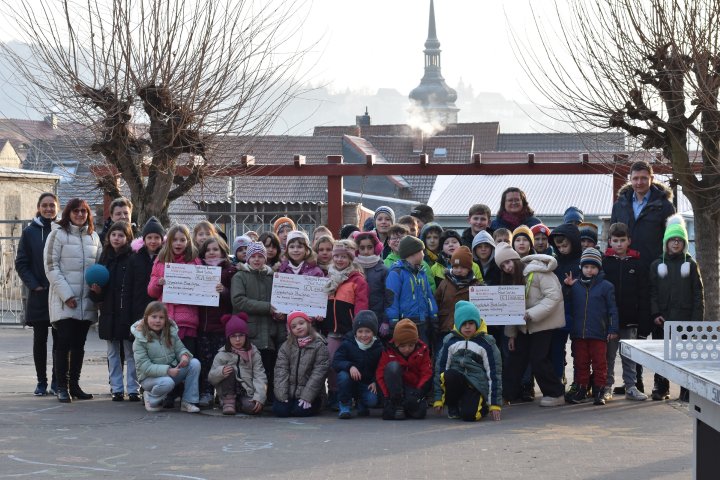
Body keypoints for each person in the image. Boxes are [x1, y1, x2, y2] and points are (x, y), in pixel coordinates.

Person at [610, 161, 675, 391]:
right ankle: (633, 381)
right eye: (635, 178)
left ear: (651, 177)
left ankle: (661, 383)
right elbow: (613, 235)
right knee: (632, 326)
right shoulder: (621, 204)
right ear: (630, 179)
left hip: (655, 270)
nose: (639, 183)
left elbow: (671, 239)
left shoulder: (664, 206)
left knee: (658, 326)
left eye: (643, 178)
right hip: (628, 271)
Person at [44, 198, 102, 403]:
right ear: (68, 213)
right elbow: (51, 267)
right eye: (75, 211)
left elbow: (99, 268)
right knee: (64, 342)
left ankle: (74, 385)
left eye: (83, 211)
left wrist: (97, 289)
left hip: (86, 301)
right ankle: (61, 386)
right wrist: (66, 295)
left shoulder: (94, 237)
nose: (79, 214)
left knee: (79, 344)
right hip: (64, 301)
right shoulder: (57, 235)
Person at [495, 242, 566, 407]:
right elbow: (511, 309)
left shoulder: (539, 271)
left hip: (543, 324)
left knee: (538, 359)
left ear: (515, 259)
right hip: (524, 326)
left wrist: (531, 314)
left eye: (508, 262)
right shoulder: (511, 279)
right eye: (502, 265)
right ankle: (506, 394)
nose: (506, 267)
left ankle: (556, 394)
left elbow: (553, 297)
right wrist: (511, 334)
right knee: (515, 359)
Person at [649, 215, 704, 402]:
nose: (675, 243)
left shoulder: (690, 265)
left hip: (684, 319)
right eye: (672, 240)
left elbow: (698, 293)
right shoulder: (657, 265)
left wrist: (696, 321)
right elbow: (652, 291)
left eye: (679, 240)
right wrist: (655, 313)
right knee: (662, 354)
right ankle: (661, 386)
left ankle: (686, 388)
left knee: (684, 355)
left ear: (684, 243)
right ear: (666, 242)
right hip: (663, 319)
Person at [90, 221, 139, 402]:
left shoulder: (132, 258)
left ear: (127, 238)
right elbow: (98, 289)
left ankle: (133, 388)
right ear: (108, 237)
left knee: (130, 351)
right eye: (114, 235)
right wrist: (96, 292)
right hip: (109, 313)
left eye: (121, 235)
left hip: (126, 313)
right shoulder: (104, 258)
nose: (117, 238)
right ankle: (117, 388)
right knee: (112, 352)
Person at [563, 248, 619, 405]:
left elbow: (612, 310)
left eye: (593, 267)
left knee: (600, 363)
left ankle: (599, 390)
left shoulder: (606, 286)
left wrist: (613, 329)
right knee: (580, 362)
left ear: (598, 268)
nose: (589, 270)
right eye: (586, 267)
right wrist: (567, 287)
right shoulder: (575, 286)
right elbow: (566, 304)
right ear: (581, 268)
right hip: (579, 333)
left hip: (598, 333)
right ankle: (581, 388)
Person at [15, 192, 59, 396]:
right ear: (39, 207)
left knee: (61, 341)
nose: (49, 209)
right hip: (39, 294)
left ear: (57, 207)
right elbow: (21, 263)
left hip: (60, 294)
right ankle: (42, 382)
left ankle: (58, 381)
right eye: (45, 205)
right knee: (40, 339)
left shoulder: (63, 229)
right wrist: (35, 286)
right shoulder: (30, 232)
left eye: (52, 205)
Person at [602, 222, 649, 401]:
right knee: (609, 357)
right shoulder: (604, 263)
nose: (619, 244)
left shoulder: (638, 264)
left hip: (630, 320)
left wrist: (643, 319)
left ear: (629, 240)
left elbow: (644, 293)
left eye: (622, 240)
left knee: (629, 357)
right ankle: (607, 387)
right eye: (615, 240)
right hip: (609, 322)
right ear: (609, 242)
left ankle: (631, 386)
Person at [433, 301, 502, 421]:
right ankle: (453, 405)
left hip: (476, 385)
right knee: (449, 375)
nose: (467, 327)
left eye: (471, 323)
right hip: (457, 381)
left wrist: (494, 404)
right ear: (458, 324)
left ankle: (482, 406)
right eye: (464, 323)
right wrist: (438, 399)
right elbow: (440, 368)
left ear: (477, 323)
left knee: (469, 416)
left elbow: (494, 374)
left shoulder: (486, 343)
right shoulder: (450, 341)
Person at [231, 241, 282, 404]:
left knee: (267, 367)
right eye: (253, 256)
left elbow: (279, 300)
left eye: (260, 256)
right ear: (247, 258)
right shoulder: (240, 276)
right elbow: (238, 301)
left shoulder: (272, 277)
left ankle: (266, 399)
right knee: (249, 368)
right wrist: (268, 307)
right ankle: (249, 398)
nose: (257, 259)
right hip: (250, 332)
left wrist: (279, 311)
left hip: (269, 333)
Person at [322, 239, 369, 409]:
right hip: (333, 330)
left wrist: (358, 328)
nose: (339, 260)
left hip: (350, 331)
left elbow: (361, 306)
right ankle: (334, 394)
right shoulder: (327, 277)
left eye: (343, 257)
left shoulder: (357, 280)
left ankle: (356, 396)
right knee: (332, 362)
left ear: (350, 259)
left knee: (354, 364)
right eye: (336, 256)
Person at [131, 301, 201, 413]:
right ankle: (150, 397)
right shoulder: (139, 339)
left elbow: (180, 349)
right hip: (148, 378)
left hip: (170, 373)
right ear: (146, 318)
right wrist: (168, 371)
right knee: (167, 383)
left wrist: (184, 356)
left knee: (194, 363)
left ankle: (188, 401)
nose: (158, 321)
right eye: (154, 317)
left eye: (161, 317)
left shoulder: (171, 333)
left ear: (166, 319)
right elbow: (145, 367)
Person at [148, 224, 202, 355]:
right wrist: (158, 283)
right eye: (175, 240)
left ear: (188, 242)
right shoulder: (160, 261)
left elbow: (201, 290)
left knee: (187, 359)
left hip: (187, 322)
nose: (178, 243)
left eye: (182, 240)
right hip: (165, 321)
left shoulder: (194, 262)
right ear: (169, 241)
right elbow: (151, 292)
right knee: (168, 360)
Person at [196, 236, 237, 408]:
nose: (212, 253)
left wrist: (224, 291)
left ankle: (222, 394)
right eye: (208, 250)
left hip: (221, 326)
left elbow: (235, 299)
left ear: (222, 250)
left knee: (220, 362)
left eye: (215, 249)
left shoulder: (229, 271)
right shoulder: (197, 269)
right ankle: (206, 392)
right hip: (203, 326)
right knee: (205, 361)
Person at [273, 311, 329, 417]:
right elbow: (281, 371)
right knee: (280, 411)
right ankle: (287, 402)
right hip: (289, 392)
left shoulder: (319, 345)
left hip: (310, 394)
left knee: (299, 411)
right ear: (291, 330)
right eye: (294, 326)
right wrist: (282, 396)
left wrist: (307, 397)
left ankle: (316, 404)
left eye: (301, 323)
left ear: (308, 324)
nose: (298, 327)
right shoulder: (286, 346)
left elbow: (319, 373)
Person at [208, 313, 267, 415]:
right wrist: (220, 372)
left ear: (246, 336)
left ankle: (239, 404)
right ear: (228, 338)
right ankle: (228, 402)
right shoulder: (222, 354)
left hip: (247, 391)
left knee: (253, 408)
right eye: (233, 336)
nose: (238, 340)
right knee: (228, 369)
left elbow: (260, 376)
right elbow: (211, 378)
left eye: (241, 335)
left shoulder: (254, 353)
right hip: (228, 392)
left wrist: (259, 397)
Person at [548, 223, 582, 389]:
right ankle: (557, 379)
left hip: (579, 313)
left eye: (565, 245)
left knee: (579, 351)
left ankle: (580, 382)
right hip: (559, 312)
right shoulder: (555, 264)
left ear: (574, 243)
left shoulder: (583, 263)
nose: (561, 249)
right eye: (558, 246)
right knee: (556, 349)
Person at [385, 236, 438, 344]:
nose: (423, 254)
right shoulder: (397, 273)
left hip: (424, 321)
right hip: (405, 322)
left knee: (423, 352)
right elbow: (391, 299)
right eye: (421, 251)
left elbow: (429, 297)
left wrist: (434, 315)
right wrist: (393, 320)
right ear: (412, 253)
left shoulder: (422, 273)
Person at [376, 319, 432, 420]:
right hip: (394, 390)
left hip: (412, 389)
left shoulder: (423, 350)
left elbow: (426, 373)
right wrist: (386, 396)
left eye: (411, 345)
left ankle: (404, 407)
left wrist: (418, 393)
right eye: (403, 346)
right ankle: (397, 405)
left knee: (420, 413)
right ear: (397, 343)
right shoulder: (388, 350)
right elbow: (380, 374)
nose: (407, 349)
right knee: (392, 367)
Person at [332, 311, 384, 419]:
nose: (363, 335)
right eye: (360, 331)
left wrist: (375, 381)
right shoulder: (347, 343)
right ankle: (345, 405)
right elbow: (336, 361)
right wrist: (349, 366)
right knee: (343, 376)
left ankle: (362, 402)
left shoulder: (378, 347)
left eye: (367, 331)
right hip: (350, 381)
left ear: (373, 332)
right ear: (355, 332)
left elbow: (381, 367)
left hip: (366, 383)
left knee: (372, 401)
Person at [433, 246, 482, 354]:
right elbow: (436, 302)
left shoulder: (476, 286)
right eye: (455, 266)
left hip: (466, 330)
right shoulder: (444, 283)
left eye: (463, 267)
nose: (459, 270)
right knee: (442, 355)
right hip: (446, 327)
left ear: (469, 268)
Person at [352, 231, 390, 339]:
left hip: (378, 320)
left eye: (369, 247)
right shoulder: (352, 269)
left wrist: (386, 321)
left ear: (376, 248)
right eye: (362, 248)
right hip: (356, 321)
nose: (366, 251)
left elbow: (389, 298)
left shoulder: (383, 270)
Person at [128, 217, 165, 322]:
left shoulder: (166, 258)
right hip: (138, 307)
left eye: (157, 237)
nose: (153, 241)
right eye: (149, 237)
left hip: (159, 309)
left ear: (162, 240)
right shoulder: (134, 258)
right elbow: (128, 286)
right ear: (144, 239)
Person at [383, 224, 436, 291]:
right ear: (388, 242)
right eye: (394, 238)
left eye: (402, 238)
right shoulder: (385, 263)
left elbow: (431, 286)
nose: (398, 241)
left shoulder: (421, 262)